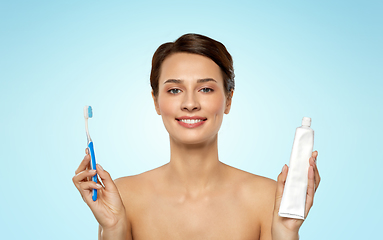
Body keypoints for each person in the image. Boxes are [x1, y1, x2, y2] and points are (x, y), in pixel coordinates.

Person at [72, 33, 320, 240]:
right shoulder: (123, 196)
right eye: (175, 90)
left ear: (228, 100)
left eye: (205, 89)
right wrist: (113, 228)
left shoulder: (267, 198)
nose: (190, 103)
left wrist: (286, 232)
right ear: (156, 102)